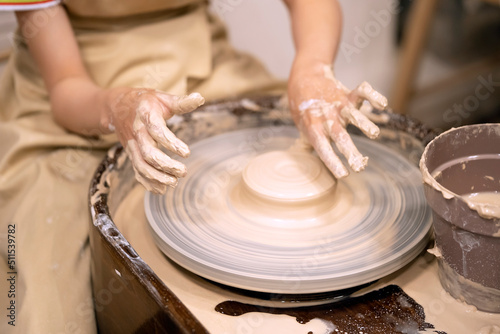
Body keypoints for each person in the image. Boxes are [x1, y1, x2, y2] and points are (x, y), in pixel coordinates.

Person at [0, 0, 387, 332]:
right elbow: (66, 85)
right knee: (46, 308)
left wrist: (311, 69)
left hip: (203, 69)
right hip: (78, 99)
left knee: (371, 175)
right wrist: (117, 108)